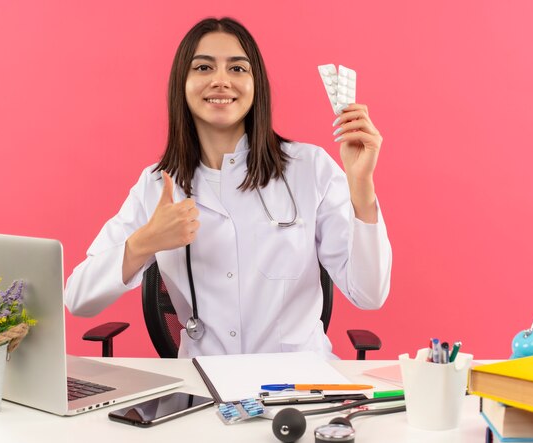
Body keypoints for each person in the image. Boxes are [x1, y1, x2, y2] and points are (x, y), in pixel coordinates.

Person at [65, 17, 391, 359]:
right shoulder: (157, 184)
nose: (221, 81)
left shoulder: (309, 168)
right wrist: (146, 242)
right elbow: (78, 298)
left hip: (298, 388)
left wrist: (361, 185)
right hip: (203, 388)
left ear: (256, 85)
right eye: (204, 67)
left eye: (237, 69)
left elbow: (369, 294)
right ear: (182, 83)